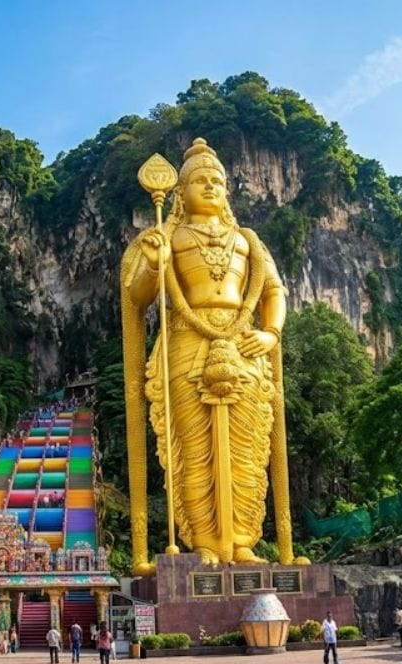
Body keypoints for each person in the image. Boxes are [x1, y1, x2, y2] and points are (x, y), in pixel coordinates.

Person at [122, 137, 298, 570]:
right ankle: (202, 541)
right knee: (193, 444)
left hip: (243, 344)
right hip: (186, 339)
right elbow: (137, 296)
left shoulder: (248, 240)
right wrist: (153, 263)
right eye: (199, 180)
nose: (210, 186)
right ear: (180, 193)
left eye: (217, 180)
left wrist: (271, 332)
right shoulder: (167, 235)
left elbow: (274, 291)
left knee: (248, 446)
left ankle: (241, 541)